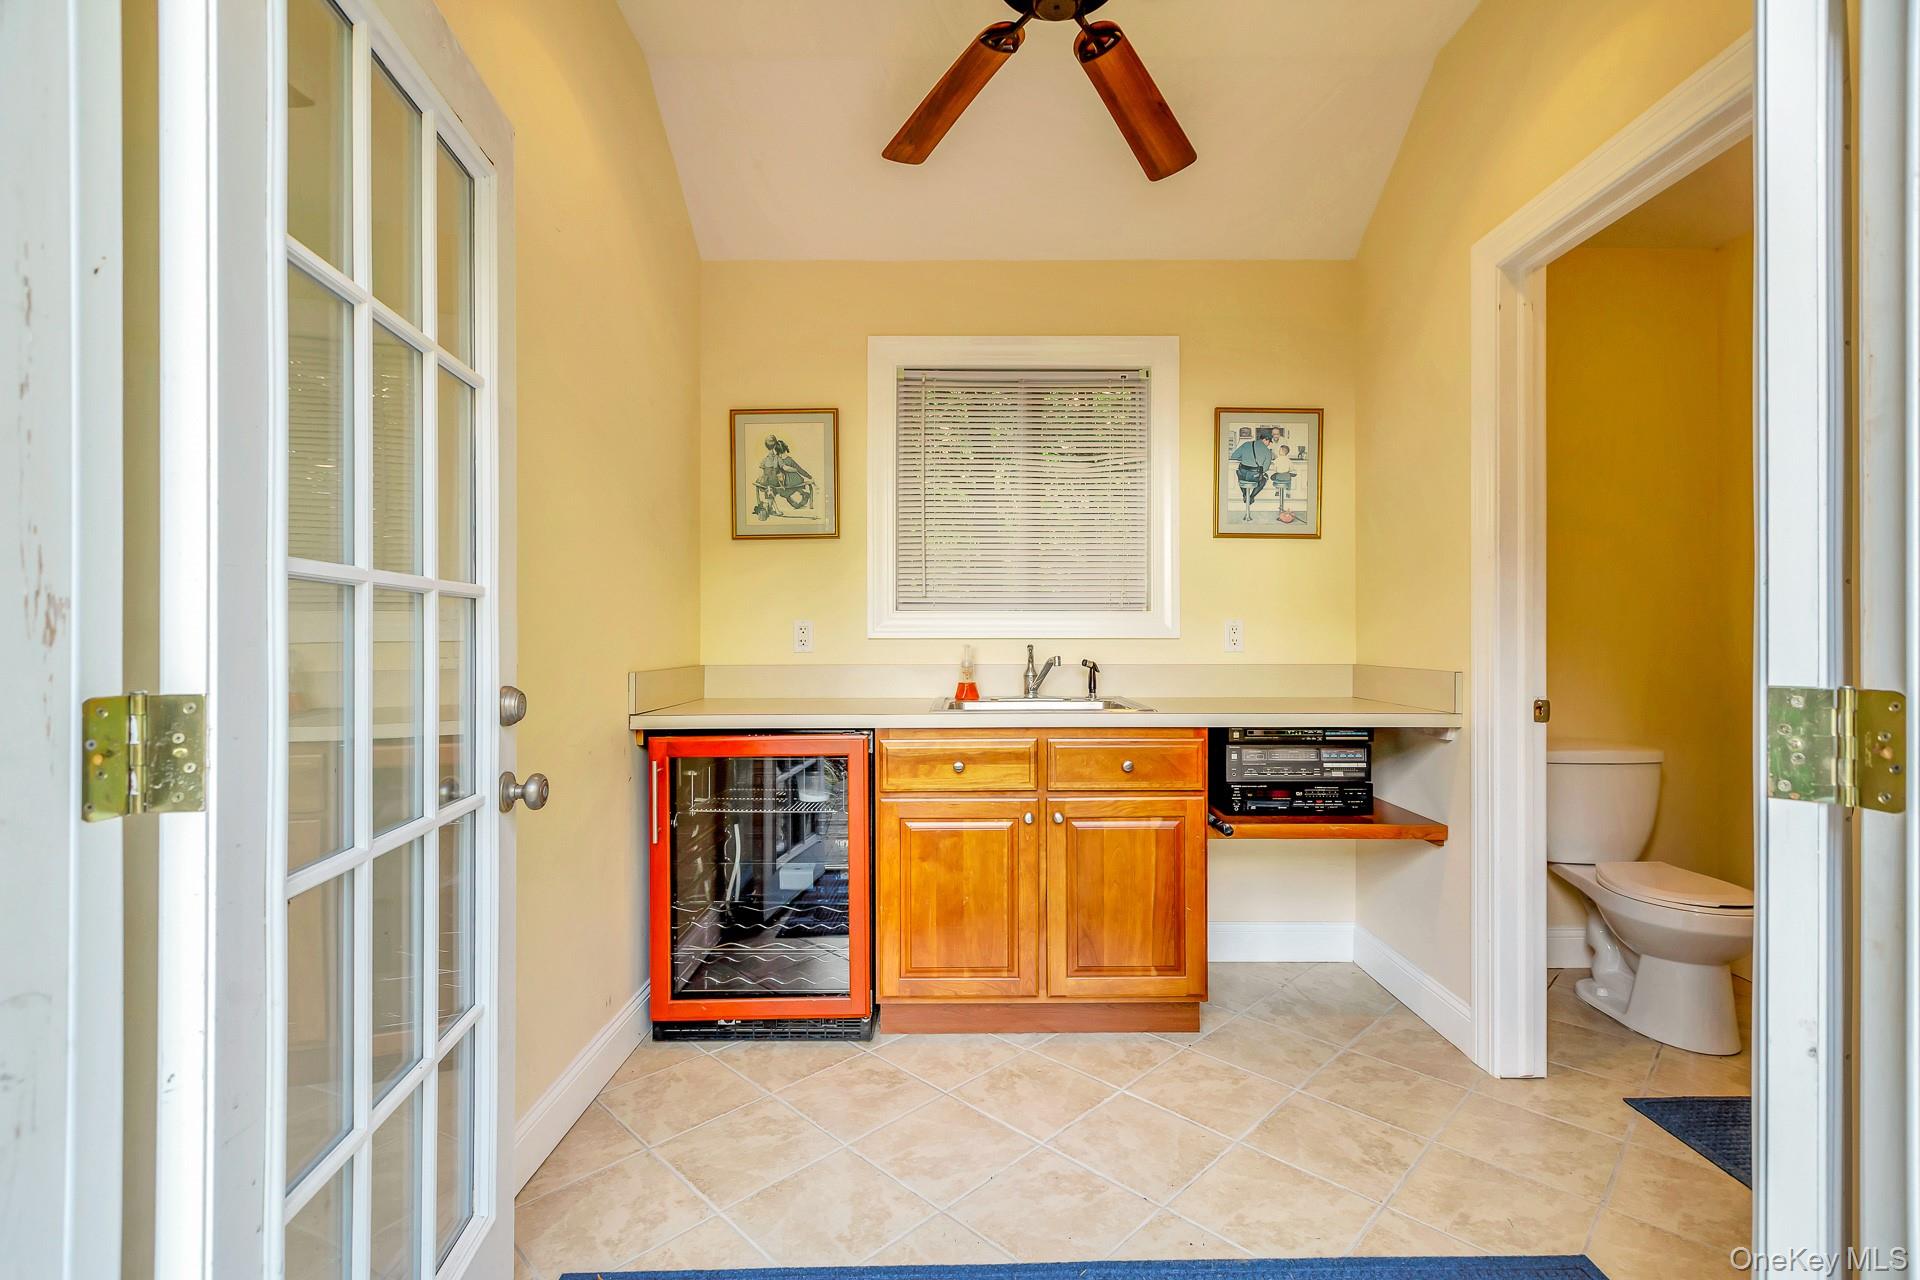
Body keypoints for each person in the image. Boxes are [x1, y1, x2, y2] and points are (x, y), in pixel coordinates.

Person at [1228, 428, 1277, 521]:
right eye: (1269, 441)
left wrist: (1245, 458)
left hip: (1242, 473)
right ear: (1265, 439)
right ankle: (1251, 497)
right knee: (1264, 478)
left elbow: (1234, 456)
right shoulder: (1267, 451)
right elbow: (1265, 469)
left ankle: (1244, 495)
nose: (1269, 444)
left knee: (1239, 473)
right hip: (1254, 477)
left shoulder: (1246, 444)